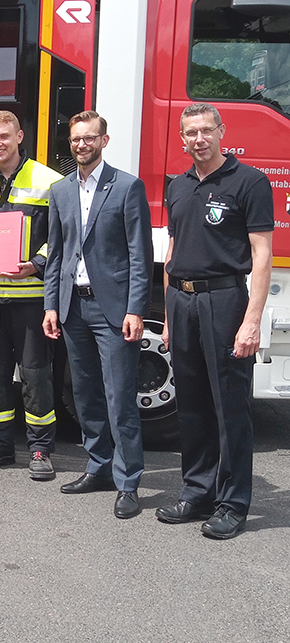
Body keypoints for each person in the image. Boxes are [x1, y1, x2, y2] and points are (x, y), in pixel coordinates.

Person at [156, 102, 273, 540]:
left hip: (224, 301)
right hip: (182, 303)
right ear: (182, 138)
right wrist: (168, 317)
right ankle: (197, 491)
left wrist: (251, 322)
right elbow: (172, 252)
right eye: (191, 133)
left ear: (221, 132)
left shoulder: (250, 182)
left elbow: (262, 255)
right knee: (193, 408)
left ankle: (233, 503)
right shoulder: (178, 186)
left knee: (230, 408)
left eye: (206, 131)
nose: (199, 139)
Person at [43, 110, 152, 519]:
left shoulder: (126, 187)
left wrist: (135, 309)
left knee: (120, 396)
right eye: (75, 140)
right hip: (73, 308)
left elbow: (141, 256)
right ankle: (99, 467)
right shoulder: (60, 190)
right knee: (86, 395)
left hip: (112, 310)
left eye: (89, 138)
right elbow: (55, 255)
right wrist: (51, 305)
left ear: (104, 141)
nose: (81, 145)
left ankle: (128, 483)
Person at [0, 110, 63, 480]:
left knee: (36, 375)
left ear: (20, 136)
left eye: (5, 136)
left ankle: (39, 448)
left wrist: (36, 263)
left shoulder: (50, 181)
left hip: (30, 296)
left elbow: (63, 237)